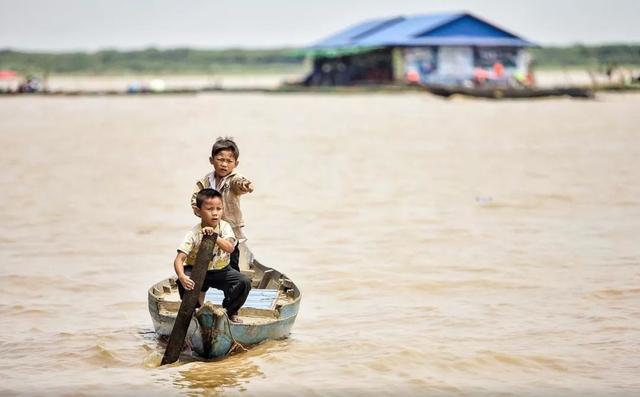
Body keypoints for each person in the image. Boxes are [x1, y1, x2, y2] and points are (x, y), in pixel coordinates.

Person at [175, 188, 251, 323]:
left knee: (243, 282)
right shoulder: (194, 234)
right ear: (198, 211)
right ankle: (193, 309)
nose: (215, 213)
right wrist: (181, 276)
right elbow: (179, 259)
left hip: (221, 270)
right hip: (197, 271)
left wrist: (214, 237)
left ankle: (230, 311)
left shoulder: (225, 227)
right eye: (210, 209)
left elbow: (230, 248)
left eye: (219, 209)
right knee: (183, 280)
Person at [191, 137, 253, 272]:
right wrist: (198, 210)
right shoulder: (204, 181)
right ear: (211, 160)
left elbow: (240, 183)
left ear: (236, 163)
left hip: (230, 230)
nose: (224, 164)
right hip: (209, 229)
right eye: (220, 160)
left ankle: (232, 287)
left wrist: (246, 185)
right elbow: (195, 199)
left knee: (232, 266)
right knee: (203, 266)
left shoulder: (233, 180)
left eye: (229, 161)